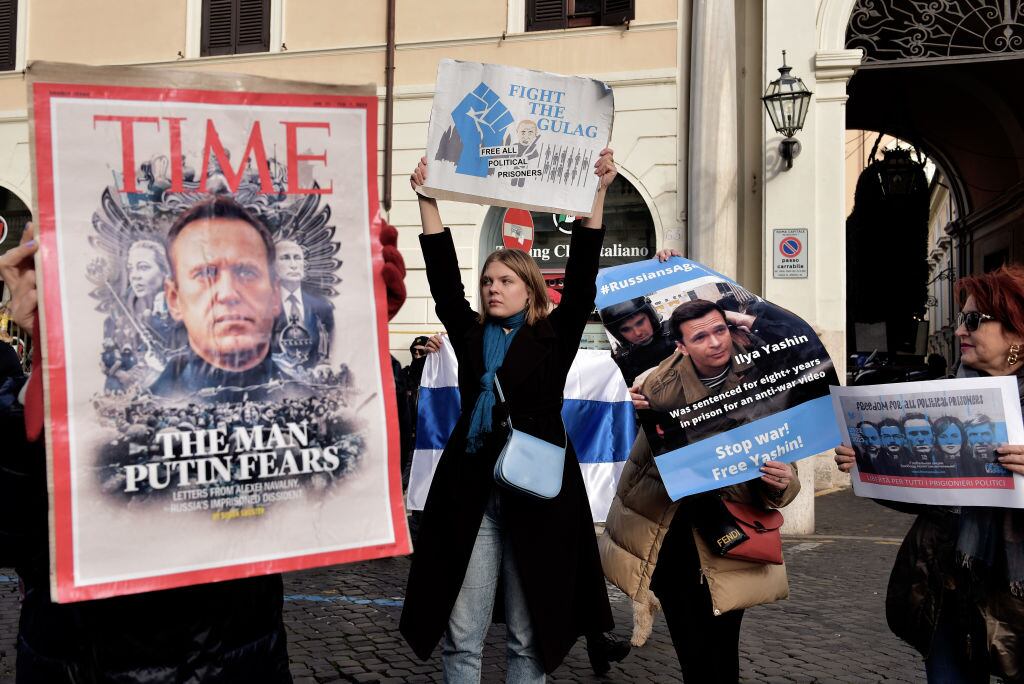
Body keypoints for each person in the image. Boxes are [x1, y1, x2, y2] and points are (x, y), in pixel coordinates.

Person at [0, 224, 292, 683]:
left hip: (232, 649)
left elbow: (296, 494)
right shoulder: (94, 358)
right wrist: (43, 370)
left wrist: (355, 327)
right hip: (86, 656)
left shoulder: (235, 364)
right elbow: (15, 532)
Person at [400, 150, 618, 681]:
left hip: (536, 495)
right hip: (471, 495)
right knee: (463, 635)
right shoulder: (471, 335)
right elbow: (443, 280)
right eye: (488, 282)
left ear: (530, 289)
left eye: (505, 282)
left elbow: (585, 272)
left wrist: (598, 192)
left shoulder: (553, 335)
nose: (492, 289)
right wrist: (427, 200)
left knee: (528, 638)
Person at [835, 264, 1024, 682]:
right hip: (950, 581)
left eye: (973, 320)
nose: (960, 331)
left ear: (1017, 329)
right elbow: (931, 497)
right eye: (960, 320)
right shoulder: (949, 397)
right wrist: (872, 465)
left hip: (1015, 588)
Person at [149, 196, 289, 402]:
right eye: (205, 274)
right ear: (173, 299)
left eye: (247, 272)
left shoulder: (313, 400)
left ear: (275, 295)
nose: (228, 294)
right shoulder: (145, 411)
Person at [271, 239, 335, 369]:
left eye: (297, 258)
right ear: (273, 265)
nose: (293, 265)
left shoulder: (323, 308)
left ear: (304, 264)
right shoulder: (261, 309)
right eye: (285, 258)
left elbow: (329, 347)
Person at [600, 296, 676, 387]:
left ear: (651, 317)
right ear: (619, 334)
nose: (638, 333)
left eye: (640, 322)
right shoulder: (621, 361)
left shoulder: (677, 330)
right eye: (626, 329)